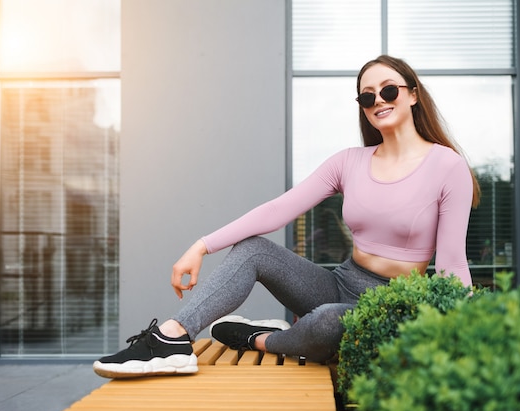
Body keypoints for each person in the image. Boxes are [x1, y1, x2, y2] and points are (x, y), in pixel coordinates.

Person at [92, 55, 481, 379]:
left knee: (329, 323)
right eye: (367, 96)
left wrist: (461, 335)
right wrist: (202, 245)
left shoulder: (447, 167)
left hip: (392, 302)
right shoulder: (349, 162)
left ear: (412, 94)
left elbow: (450, 264)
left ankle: (259, 338)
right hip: (339, 283)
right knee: (255, 250)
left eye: (389, 89)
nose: (379, 99)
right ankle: (171, 339)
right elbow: (278, 210)